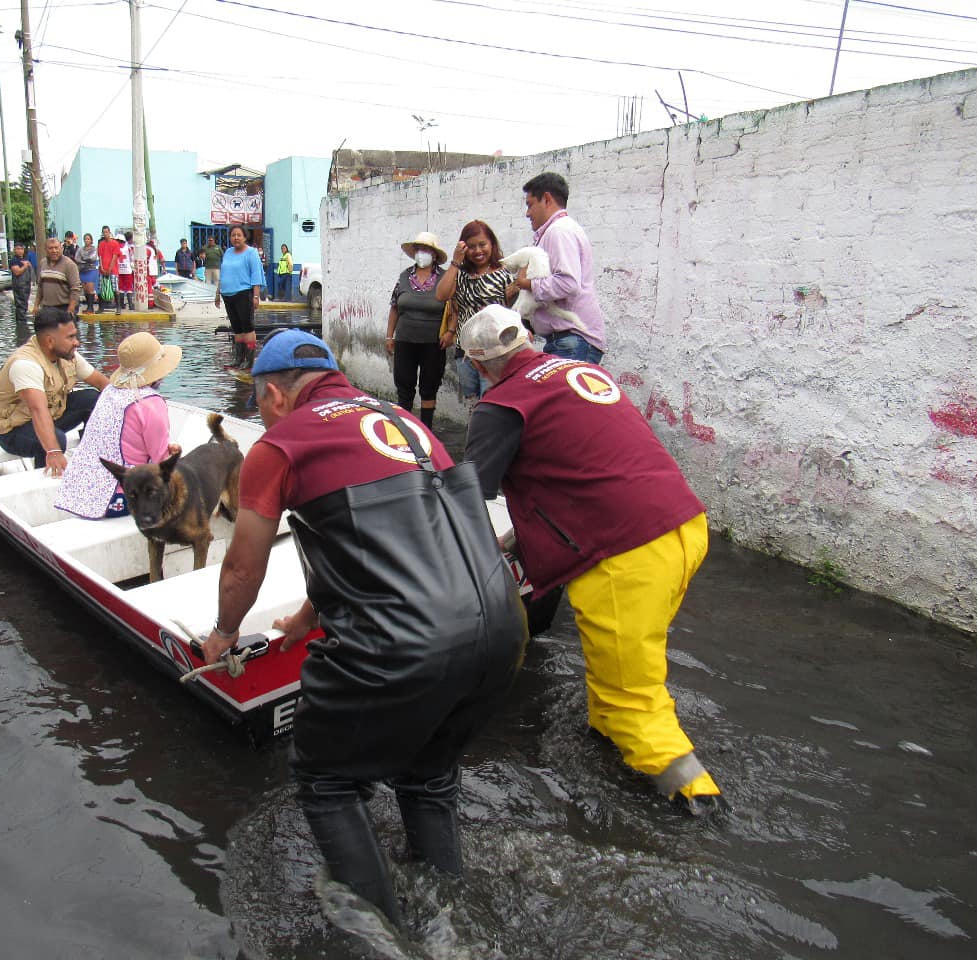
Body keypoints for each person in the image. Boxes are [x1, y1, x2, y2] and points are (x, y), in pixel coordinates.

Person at [201, 329, 525, 926]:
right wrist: (306, 618)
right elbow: (387, 542)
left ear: (273, 395)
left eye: (259, 406)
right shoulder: (407, 423)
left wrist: (222, 634)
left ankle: (385, 935)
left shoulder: (281, 446)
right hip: (500, 626)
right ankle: (445, 912)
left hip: (406, 643)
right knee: (427, 776)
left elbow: (244, 566)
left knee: (325, 779)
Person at [460, 304, 725, 815]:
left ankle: (697, 805)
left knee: (634, 694)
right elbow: (583, 466)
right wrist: (520, 537)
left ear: (477, 362)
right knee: (622, 661)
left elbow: (467, 496)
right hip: (680, 526)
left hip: (624, 554)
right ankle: (604, 736)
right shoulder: (579, 371)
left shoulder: (501, 405)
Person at [54, 331, 182, 519]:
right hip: (120, 499)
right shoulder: (152, 403)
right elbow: (161, 463)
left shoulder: (110, 392)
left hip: (81, 492)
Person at [0, 306, 111, 474]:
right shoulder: (25, 364)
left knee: (94, 399)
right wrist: (53, 451)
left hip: (53, 415)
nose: (77, 342)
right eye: (70, 337)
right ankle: (46, 483)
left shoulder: (68, 355)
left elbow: (103, 384)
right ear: (49, 341)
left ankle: (94, 460)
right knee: (57, 440)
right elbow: (38, 410)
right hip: (14, 432)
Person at [506, 171, 607, 363]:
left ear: (546, 199)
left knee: (561, 394)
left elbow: (567, 283)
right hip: (568, 340)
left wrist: (526, 283)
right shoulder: (558, 230)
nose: (527, 213)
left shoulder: (558, 231)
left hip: (572, 340)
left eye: (530, 205)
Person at [435, 220, 516, 412]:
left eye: (482, 244)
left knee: (490, 403)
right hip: (466, 352)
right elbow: (441, 295)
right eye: (471, 247)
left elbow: (515, 312)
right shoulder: (460, 275)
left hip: (495, 351)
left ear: (492, 244)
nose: (478, 251)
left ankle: (488, 440)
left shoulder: (505, 274)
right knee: (472, 404)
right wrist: (455, 262)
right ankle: (475, 438)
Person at [386, 230, 448, 432]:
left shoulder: (445, 278)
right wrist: (389, 335)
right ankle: (405, 432)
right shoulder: (404, 276)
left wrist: (451, 331)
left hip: (433, 342)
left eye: (427, 250)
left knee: (429, 388)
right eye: (419, 249)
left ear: (435, 254)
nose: (422, 253)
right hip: (405, 340)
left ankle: (426, 430)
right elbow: (395, 307)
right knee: (404, 386)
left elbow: (453, 307)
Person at [214, 225, 265, 369]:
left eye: (239, 235)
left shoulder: (251, 253)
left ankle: (249, 360)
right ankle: (238, 358)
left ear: (245, 237)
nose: (236, 238)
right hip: (228, 294)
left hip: (244, 293)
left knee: (247, 327)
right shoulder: (228, 252)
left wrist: (256, 296)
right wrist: (218, 293)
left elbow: (256, 275)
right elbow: (223, 274)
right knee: (236, 328)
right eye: (233, 235)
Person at [37, 236, 81, 317]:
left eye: (56, 248)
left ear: (61, 248)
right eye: (50, 248)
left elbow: (75, 289)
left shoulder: (69, 265)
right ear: (46, 250)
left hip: (64, 308)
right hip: (47, 308)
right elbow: (40, 287)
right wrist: (36, 306)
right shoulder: (43, 263)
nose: (54, 251)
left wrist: (71, 308)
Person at [8, 240, 34, 326]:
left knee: (25, 305)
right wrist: (25, 266)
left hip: (26, 285)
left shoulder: (25, 259)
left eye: (21, 249)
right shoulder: (13, 260)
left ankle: (23, 323)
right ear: (14, 250)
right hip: (19, 286)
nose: (19, 250)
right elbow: (17, 272)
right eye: (17, 249)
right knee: (20, 306)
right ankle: (21, 325)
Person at [97, 225, 121, 312]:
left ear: (109, 232)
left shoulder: (115, 243)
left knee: (115, 288)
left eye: (107, 232)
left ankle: (118, 308)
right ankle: (101, 308)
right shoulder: (101, 244)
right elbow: (100, 256)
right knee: (100, 289)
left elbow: (115, 257)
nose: (105, 234)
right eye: (104, 232)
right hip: (102, 270)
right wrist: (102, 268)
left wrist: (109, 269)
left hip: (113, 270)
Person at [75, 232, 100, 315]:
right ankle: (88, 307)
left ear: (91, 240)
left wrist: (84, 259)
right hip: (82, 270)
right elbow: (77, 258)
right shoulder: (80, 249)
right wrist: (85, 260)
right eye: (85, 239)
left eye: (88, 239)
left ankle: (91, 307)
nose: (87, 240)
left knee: (90, 288)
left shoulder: (94, 249)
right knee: (85, 288)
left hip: (91, 270)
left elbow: (92, 258)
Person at [116, 232, 135, 313]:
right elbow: (132, 258)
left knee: (120, 288)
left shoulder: (115, 248)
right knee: (129, 288)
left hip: (119, 270)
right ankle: (130, 305)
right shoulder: (128, 248)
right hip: (127, 270)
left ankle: (121, 304)